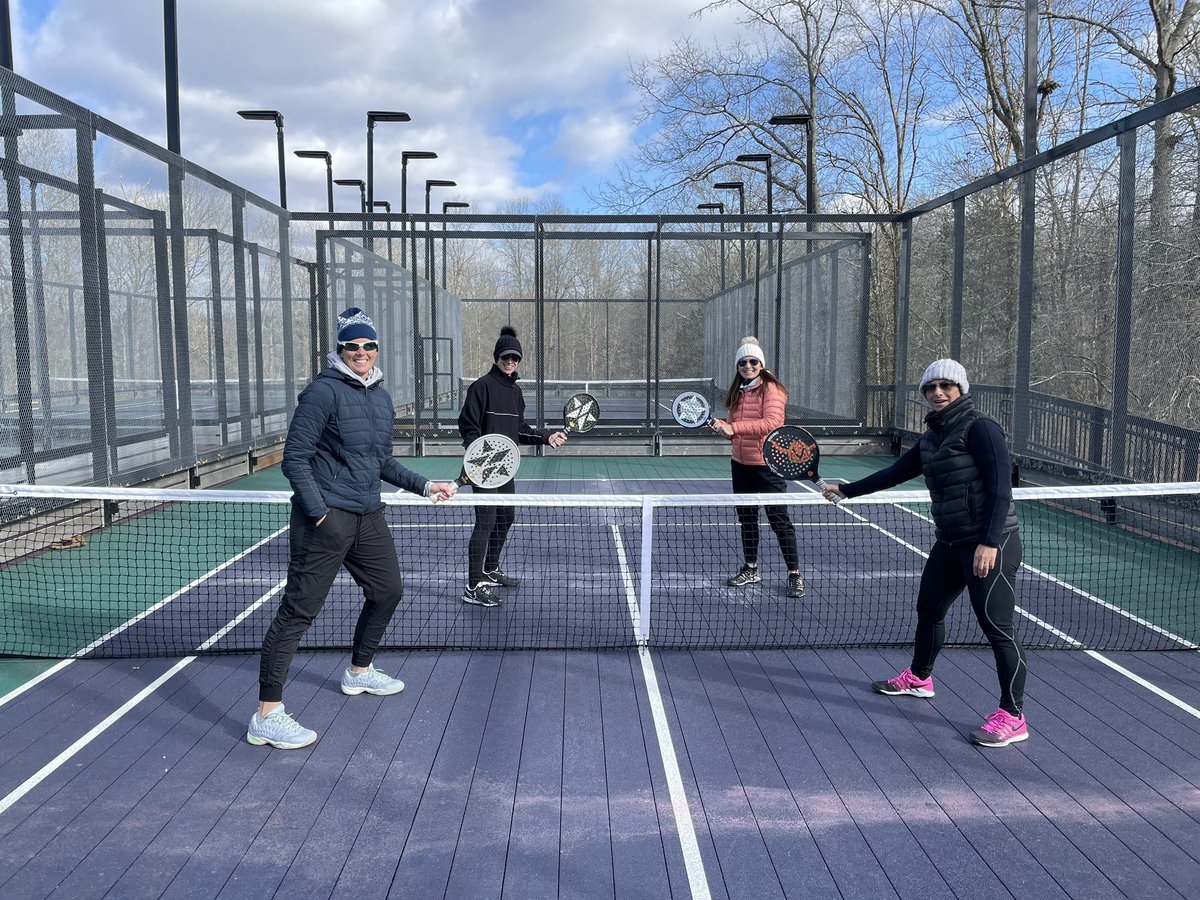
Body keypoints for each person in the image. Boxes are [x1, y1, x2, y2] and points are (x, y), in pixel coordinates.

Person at [248, 307, 456, 750]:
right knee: (298, 613)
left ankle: (359, 672)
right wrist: (319, 513)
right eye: (352, 346)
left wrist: (424, 485)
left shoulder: (380, 397)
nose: (360, 353)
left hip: (369, 516)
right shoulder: (321, 393)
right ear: (339, 350)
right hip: (325, 520)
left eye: (368, 346)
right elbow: (294, 459)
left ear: (377, 349)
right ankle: (266, 715)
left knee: (388, 591)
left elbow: (380, 461)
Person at [822, 359, 1029, 748]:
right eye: (931, 387)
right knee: (929, 610)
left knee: (997, 628)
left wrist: (988, 543)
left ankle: (1013, 715)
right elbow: (896, 472)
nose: (937, 393)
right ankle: (919, 678)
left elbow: (1001, 488)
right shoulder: (932, 437)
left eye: (946, 386)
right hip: (950, 541)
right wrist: (847, 490)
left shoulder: (981, 429)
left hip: (991, 542)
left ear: (961, 390)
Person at [457, 325, 567, 607]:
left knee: (505, 517)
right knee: (486, 522)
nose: (510, 362)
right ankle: (472, 586)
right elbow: (468, 426)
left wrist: (546, 437)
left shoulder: (516, 393)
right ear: (496, 357)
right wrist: (477, 458)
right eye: (505, 357)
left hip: (505, 469)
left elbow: (519, 429)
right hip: (483, 469)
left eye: (514, 359)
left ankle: (490, 569)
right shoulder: (481, 387)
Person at [708, 337, 804, 599]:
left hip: (767, 466)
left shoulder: (772, 389)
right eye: (742, 362)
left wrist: (734, 428)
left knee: (779, 521)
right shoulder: (737, 391)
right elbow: (733, 429)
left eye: (752, 361)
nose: (747, 366)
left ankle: (794, 574)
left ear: (761, 364)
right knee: (747, 520)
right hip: (740, 465)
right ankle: (751, 568)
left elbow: (772, 422)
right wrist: (722, 427)